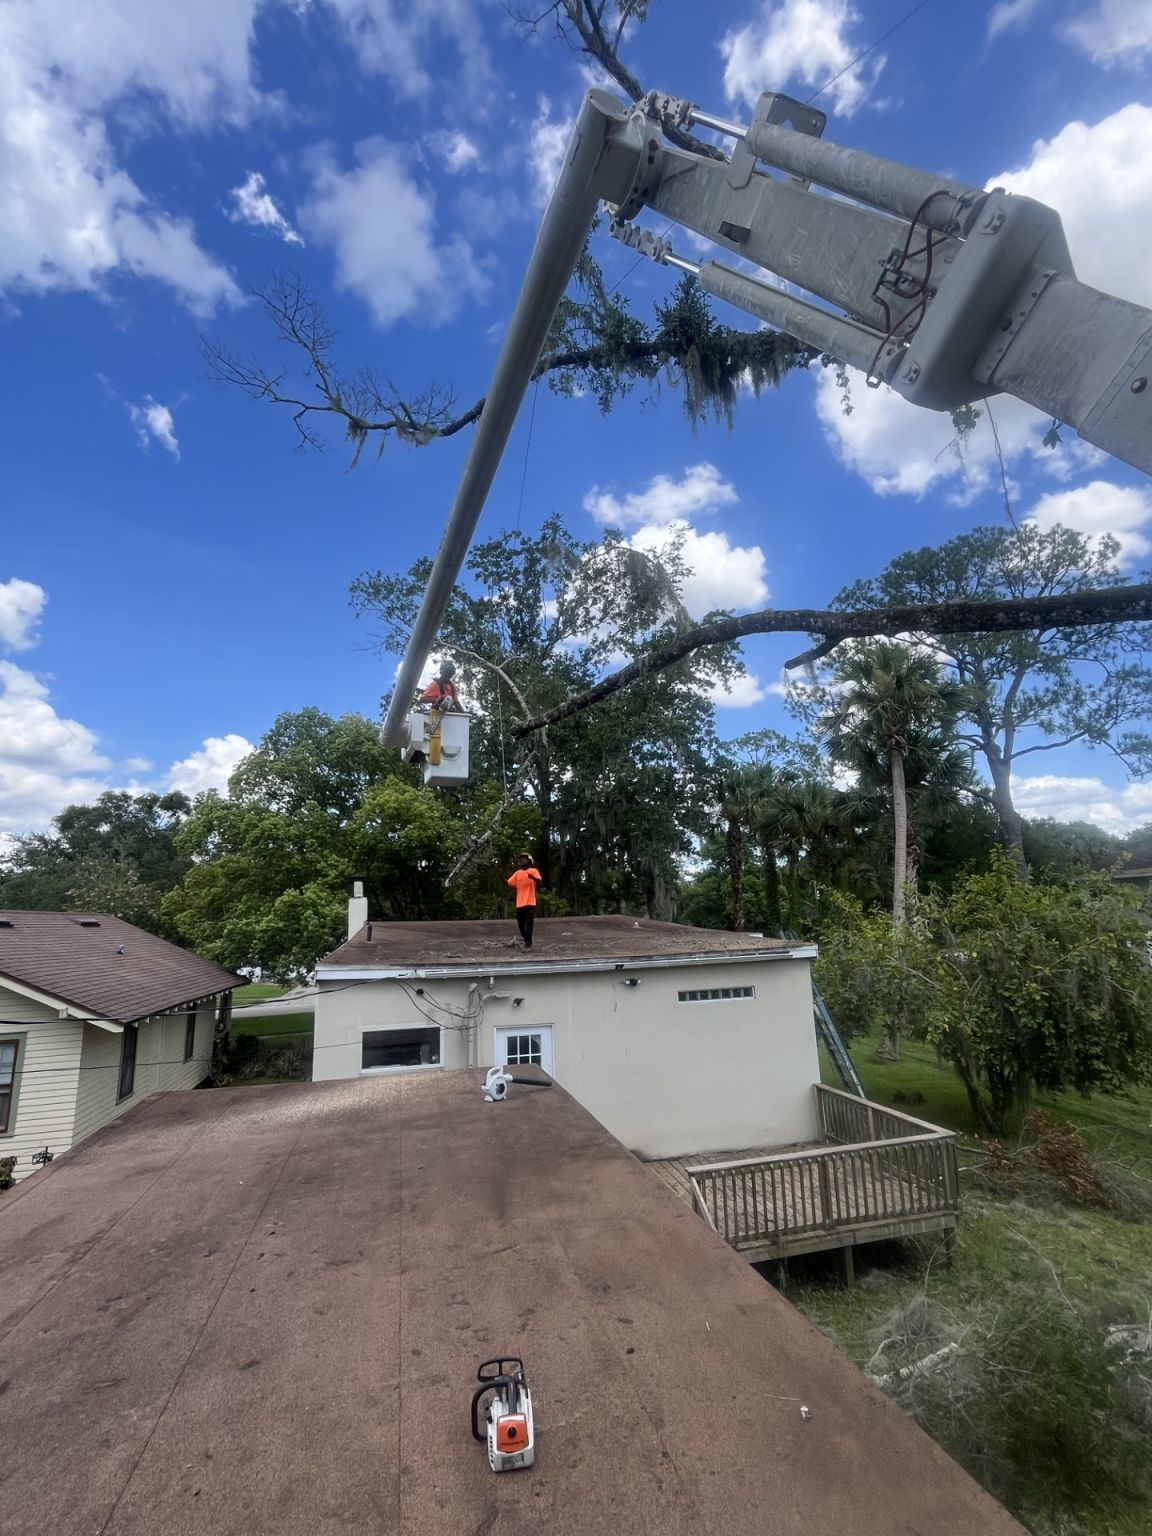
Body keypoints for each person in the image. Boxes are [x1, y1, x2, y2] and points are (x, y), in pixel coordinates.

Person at [506, 852, 542, 949]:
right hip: (520, 902)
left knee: (529, 922)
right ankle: (526, 938)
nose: (521, 860)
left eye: (524, 858)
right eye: (520, 858)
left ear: (529, 860)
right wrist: (501, 878)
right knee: (520, 921)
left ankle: (528, 942)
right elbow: (509, 884)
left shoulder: (533, 871)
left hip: (530, 901)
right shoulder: (518, 873)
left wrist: (533, 877)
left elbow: (539, 881)